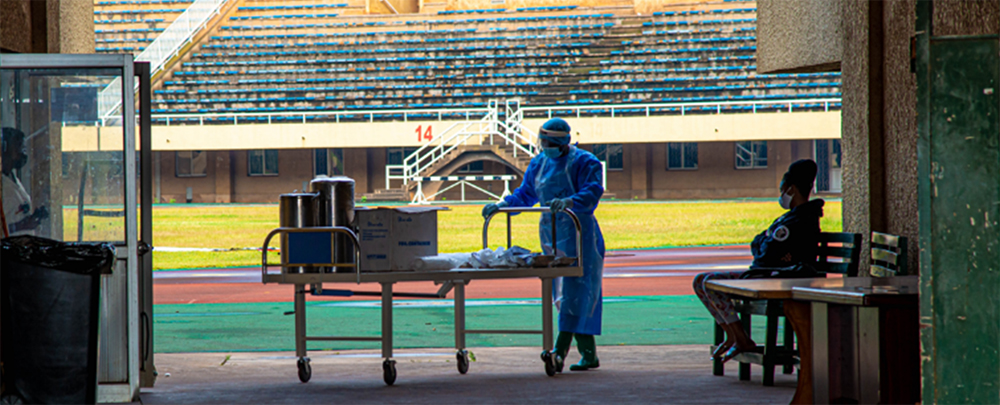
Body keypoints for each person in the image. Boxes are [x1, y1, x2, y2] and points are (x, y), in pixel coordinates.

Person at [482, 117, 605, 372]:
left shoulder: (585, 162)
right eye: (543, 141)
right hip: (552, 235)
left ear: (562, 142)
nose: (544, 146)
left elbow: (593, 190)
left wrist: (571, 201)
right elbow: (525, 194)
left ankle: (559, 352)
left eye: (549, 142)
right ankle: (587, 353)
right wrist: (502, 205)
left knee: (578, 293)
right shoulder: (538, 163)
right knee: (564, 296)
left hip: (580, 234)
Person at [692, 159, 823, 363]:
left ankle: (741, 339)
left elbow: (765, 253)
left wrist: (768, 245)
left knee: (709, 283)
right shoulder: (788, 218)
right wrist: (768, 245)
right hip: (765, 274)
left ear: (792, 189)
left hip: (773, 278)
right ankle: (734, 336)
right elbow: (758, 243)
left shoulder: (799, 220)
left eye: (782, 190)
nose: (781, 195)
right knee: (702, 281)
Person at [2, 127, 48, 236]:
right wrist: (21, 225)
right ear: (4, 148)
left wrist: (34, 218)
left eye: (24, 148)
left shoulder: (13, 179)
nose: (23, 153)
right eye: (19, 147)